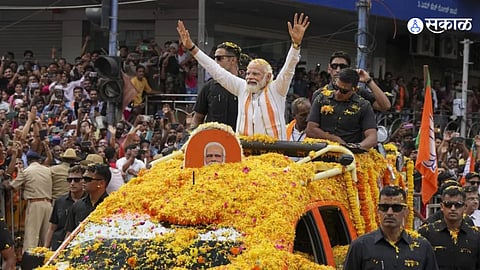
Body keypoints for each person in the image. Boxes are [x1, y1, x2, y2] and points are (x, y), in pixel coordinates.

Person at [177, 13, 310, 139]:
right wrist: (192, 48)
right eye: (248, 73)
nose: (250, 77)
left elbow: (289, 68)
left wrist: (295, 46)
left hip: (274, 155)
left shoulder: (277, 89)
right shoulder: (242, 88)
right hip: (245, 154)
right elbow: (216, 70)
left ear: (268, 77)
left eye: (256, 74)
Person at [343, 186, 438, 270]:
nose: (389, 212)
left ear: (406, 211)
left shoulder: (422, 247)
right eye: (384, 207)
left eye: (396, 208)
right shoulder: (360, 246)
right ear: (378, 211)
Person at [306, 68, 377, 150]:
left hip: (350, 155)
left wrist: (355, 147)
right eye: (336, 87)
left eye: (344, 91)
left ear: (355, 90)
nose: (338, 93)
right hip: (321, 151)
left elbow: (372, 137)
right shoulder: (321, 98)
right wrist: (334, 139)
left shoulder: (364, 105)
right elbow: (310, 130)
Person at [418, 186, 480, 269]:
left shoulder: (476, 236)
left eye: (458, 205)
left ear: (465, 207)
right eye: (448, 204)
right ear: (442, 206)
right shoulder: (426, 233)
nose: (453, 209)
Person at [311, 51, 391, 112]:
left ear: (349, 69)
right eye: (334, 66)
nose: (338, 70)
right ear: (329, 68)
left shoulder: (359, 92)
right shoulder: (319, 95)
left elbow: (385, 106)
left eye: (342, 67)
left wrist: (368, 81)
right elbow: (312, 126)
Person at [6, 150, 53, 252]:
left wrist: (7, 180)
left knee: (31, 237)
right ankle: (47, 262)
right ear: (39, 160)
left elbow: (13, 186)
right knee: (46, 237)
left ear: (28, 160)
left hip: (35, 204)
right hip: (49, 204)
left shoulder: (27, 171)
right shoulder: (47, 170)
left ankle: (29, 263)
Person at [192, 42, 242, 131]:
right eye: (214, 58)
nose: (215, 62)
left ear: (233, 60)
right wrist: (194, 137)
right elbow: (198, 117)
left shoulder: (244, 86)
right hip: (213, 140)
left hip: (239, 139)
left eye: (219, 58)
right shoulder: (208, 87)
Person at [64, 163, 111, 238]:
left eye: (87, 179)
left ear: (101, 183)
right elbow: (69, 234)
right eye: (83, 178)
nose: (83, 182)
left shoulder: (112, 206)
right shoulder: (77, 206)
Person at [45, 165, 85, 250]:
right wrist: (45, 248)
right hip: (58, 245)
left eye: (76, 180)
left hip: (80, 246)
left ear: (84, 181)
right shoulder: (60, 201)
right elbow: (52, 227)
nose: (72, 183)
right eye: (69, 180)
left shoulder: (88, 202)